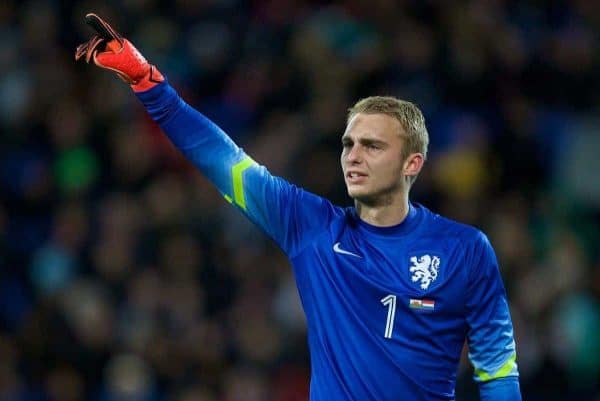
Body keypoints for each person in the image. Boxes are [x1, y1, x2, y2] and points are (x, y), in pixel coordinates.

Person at [76, 13, 522, 401]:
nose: (353, 156)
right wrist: (148, 83)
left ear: (412, 163)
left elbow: (498, 371)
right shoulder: (312, 227)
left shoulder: (465, 249)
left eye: (372, 145)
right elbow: (224, 161)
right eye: (348, 144)